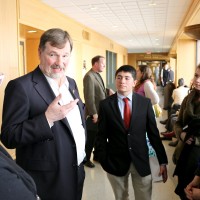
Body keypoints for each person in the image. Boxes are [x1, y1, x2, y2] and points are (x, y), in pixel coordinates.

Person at [1, 28, 86, 200]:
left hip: (76, 171)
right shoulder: (21, 87)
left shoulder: (72, 83)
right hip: (47, 181)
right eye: (53, 54)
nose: (59, 62)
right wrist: (47, 119)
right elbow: (9, 136)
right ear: (40, 52)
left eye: (65, 55)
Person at [96, 65, 168, 200]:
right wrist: (103, 160)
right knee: (121, 197)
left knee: (144, 197)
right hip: (115, 161)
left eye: (126, 78)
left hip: (141, 160)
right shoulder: (105, 105)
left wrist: (162, 161)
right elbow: (101, 135)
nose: (122, 81)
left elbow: (153, 134)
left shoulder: (145, 103)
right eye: (119, 77)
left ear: (134, 82)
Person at [173, 64, 200, 199]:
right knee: (183, 192)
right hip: (183, 154)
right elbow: (178, 123)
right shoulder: (188, 99)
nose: (197, 80)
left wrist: (196, 140)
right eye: (196, 75)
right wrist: (182, 134)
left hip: (198, 161)